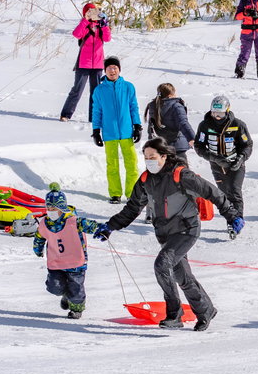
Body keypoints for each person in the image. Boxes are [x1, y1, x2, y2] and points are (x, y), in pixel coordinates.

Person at [94, 138, 242, 331]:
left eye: (153, 157)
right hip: (164, 234)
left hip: (186, 229)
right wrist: (110, 226)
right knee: (182, 276)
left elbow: (212, 192)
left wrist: (232, 215)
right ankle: (205, 310)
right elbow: (131, 209)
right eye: (146, 157)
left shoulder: (181, 175)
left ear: (164, 156)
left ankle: (175, 315)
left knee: (162, 264)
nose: (149, 161)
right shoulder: (146, 180)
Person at [31, 183, 104, 319]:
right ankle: (65, 294)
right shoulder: (44, 223)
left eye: (54, 207)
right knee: (54, 286)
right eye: (49, 207)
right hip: (56, 262)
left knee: (76, 288)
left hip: (75, 261)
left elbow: (89, 224)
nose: (51, 210)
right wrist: (37, 249)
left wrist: (101, 229)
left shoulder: (73, 221)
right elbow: (39, 237)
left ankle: (76, 309)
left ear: (62, 207)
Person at [193, 94, 252, 238]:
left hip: (235, 165)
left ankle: (237, 221)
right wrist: (213, 158)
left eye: (220, 113)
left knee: (234, 191)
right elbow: (199, 146)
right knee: (224, 194)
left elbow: (247, 145)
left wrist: (240, 158)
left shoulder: (238, 125)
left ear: (227, 111)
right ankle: (231, 220)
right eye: (214, 113)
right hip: (217, 166)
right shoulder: (205, 125)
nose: (217, 116)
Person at [90, 55, 142, 204]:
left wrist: (137, 126)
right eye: (109, 68)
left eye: (115, 68)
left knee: (131, 163)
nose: (112, 71)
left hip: (127, 132)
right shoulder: (99, 90)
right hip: (109, 133)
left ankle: (132, 193)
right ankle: (115, 193)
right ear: (105, 71)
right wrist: (96, 131)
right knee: (112, 165)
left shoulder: (128, 87)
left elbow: (133, 107)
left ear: (119, 70)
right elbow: (97, 111)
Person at [62, 1, 110, 121]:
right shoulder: (84, 25)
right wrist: (85, 20)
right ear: (85, 13)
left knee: (96, 93)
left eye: (94, 11)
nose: (92, 14)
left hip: (98, 64)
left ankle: (94, 118)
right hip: (83, 64)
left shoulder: (100, 26)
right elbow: (76, 34)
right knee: (77, 90)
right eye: (89, 12)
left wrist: (105, 25)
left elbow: (107, 38)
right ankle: (66, 115)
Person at [145, 83, 196, 164]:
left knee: (165, 174)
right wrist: (192, 138)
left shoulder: (153, 106)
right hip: (177, 147)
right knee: (181, 173)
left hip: (161, 148)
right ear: (171, 93)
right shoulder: (176, 106)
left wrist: (151, 145)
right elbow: (183, 123)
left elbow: (151, 128)